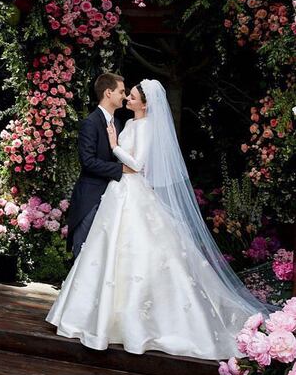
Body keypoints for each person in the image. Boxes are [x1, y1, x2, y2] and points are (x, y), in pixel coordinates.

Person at [47, 79, 273, 360]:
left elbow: (137, 164)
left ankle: (144, 323)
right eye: (124, 94)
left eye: (131, 96)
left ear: (144, 103)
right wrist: (119, 154)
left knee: (142, 251)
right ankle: (101, 317)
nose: (127, 98)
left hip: (132, 190)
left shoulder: (146, 126)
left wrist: (116, 147)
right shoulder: (125, 123)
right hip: (118, 193)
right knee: (107, 251)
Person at [66, 73, 134, 259]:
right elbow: (87, 161)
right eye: (121, 91)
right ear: (108, 93)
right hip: (91, 197)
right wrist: (120, 169)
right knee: (83, 250)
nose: (125, 96)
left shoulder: (119, 123)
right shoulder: (90, 123)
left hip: (114, 196)